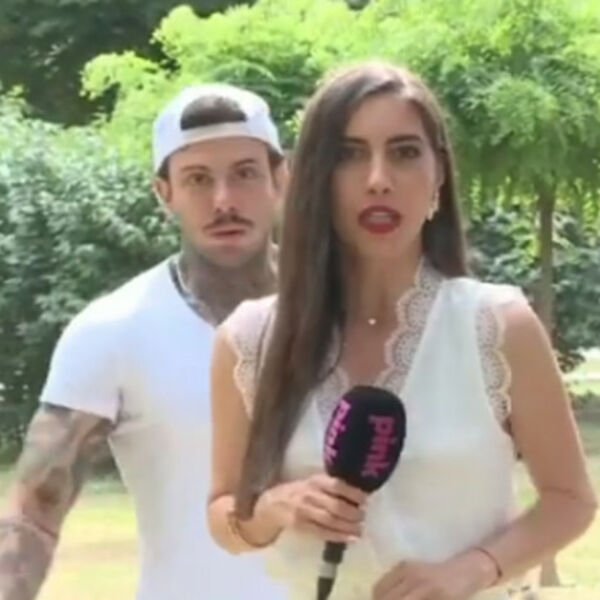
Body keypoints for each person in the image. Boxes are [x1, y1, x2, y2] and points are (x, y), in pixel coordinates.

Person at [207, 62, 597, 600]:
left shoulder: (498, 325)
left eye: (405, 152)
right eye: (349, 154)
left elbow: (571, 500)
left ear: (440, 175)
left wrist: (474, 569)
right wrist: (274, 508)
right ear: (315, 178)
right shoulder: (249, 340)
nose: (378, 179)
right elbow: (223, 513)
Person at [0, 84, 287, 600]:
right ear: (164, 193)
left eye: (244, 173)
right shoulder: (113, 330)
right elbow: (35, 508)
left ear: (280, 179)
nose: (224, 200)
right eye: (198, 179)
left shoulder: (355, 310)